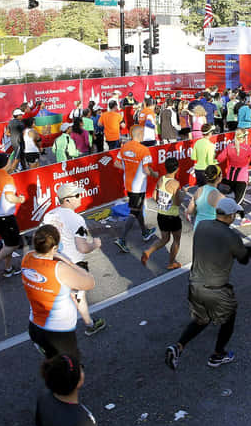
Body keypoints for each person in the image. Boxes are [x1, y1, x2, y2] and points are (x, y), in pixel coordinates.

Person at [165, 198, 251, 371]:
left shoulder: (202, 226)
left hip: (195, 283)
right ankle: (217, 355)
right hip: (216, 289)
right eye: (235, 215)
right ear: (230, 216)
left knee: (202, 319)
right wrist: (250, 251)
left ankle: (178, 347)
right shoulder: (232, 236)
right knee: (228, 319)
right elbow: (244, 259)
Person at [35, 355, 127, 426]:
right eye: (80, 368)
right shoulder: (82, 425)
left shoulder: (44, 396)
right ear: (78, 381)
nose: (82, 369)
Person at [23, 225, 95, 361]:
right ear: (55, 248)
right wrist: (69, 262)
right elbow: (90, 282)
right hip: (59, 333)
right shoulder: (59, 268)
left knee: (54, 363)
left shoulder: (26, 258)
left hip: (35, 326)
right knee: (71, 373)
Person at [43, 183, 107, 337]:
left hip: (56, 262)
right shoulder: (77, 220)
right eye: (77, 195)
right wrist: (95, 244)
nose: (81, 197)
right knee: (79, 296)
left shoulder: (49, 215)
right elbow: (82, 248)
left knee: (64, 296)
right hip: (74, 264)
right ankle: (89, 325)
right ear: (67, 200)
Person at [112, 126, 158, 254]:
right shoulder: (144, 150)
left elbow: (116, 163)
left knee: (138, 209)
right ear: (139, 134)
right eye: (143, 133)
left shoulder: (124, 147)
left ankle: (144, 232)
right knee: (135, 211)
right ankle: (122, 239)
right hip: (138, 186)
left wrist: (127, 169)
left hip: (128, 185)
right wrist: (155, 174)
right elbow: (147, 170)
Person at [0, 153, 27, 279]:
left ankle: (8, 269)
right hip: (5, 217)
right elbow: (10, 197)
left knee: (7, 244)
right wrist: (21, 199)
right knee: (14, 244)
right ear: (6, 163)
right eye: (9, 161)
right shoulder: (7, 178)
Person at [142, 157, 184, 270]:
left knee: (164, 239)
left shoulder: (161, 179)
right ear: (177, 169)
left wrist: (162, 204)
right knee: (176, 240)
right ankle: (171, 262)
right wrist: (183, 194)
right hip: (172, 216)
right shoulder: (175, 183)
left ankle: (148, 251)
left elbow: (155, 196)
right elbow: (177, 203)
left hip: (161, 214)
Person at [216, 128, 251, 217]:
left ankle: (237, 217)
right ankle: (236, 219)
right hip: (241, 180)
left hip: (230, 178)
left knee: (235, 201)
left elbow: (219, 159)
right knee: (237, 203)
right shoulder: (247, 148)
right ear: (244, 137)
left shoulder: (229, 146)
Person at [187, 164, 224, 231]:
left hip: (198, 229)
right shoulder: (221, 197)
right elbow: (225, 219)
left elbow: (190, 211)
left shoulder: (198, 191)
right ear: (218, 178)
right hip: (212, 231)